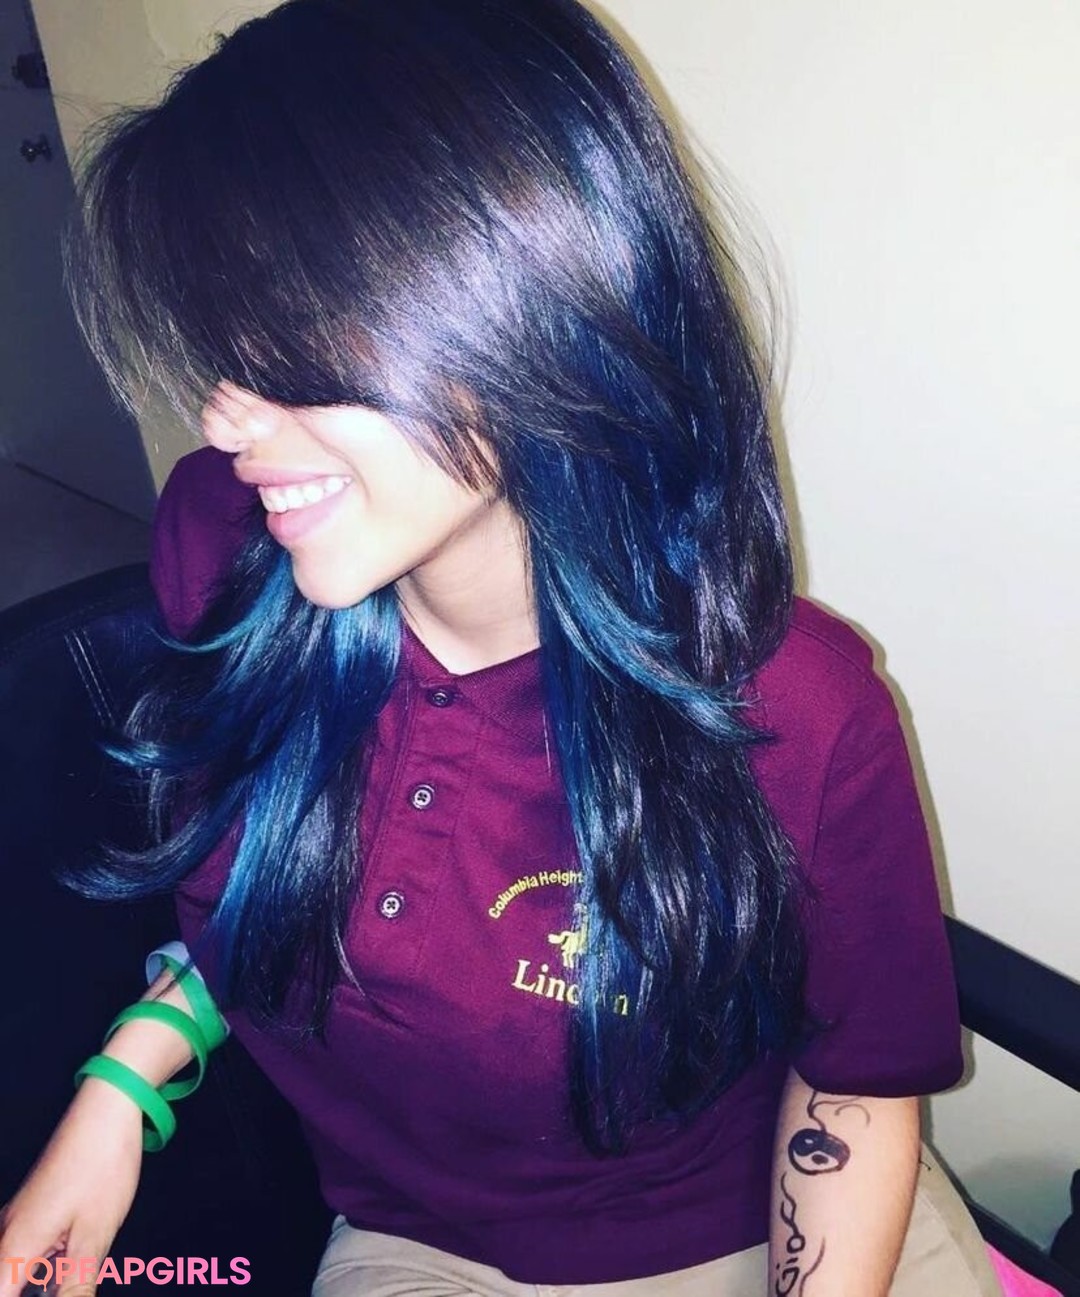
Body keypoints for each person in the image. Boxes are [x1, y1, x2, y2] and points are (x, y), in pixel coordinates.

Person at [0, 1, 1003, 1293]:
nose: (227, 420)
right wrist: (123, 1085)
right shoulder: (224, 541)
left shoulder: (793, 708)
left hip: (767, 1221)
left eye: (289, 344)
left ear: (523, 310)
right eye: (219, 342)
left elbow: (852, 1086)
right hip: (431, 1247)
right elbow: (279, 883)